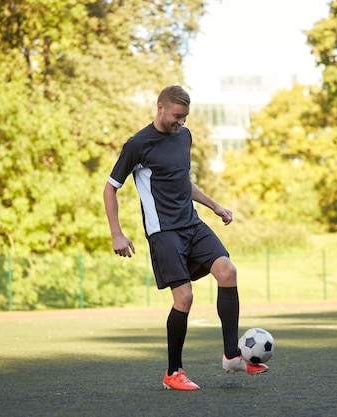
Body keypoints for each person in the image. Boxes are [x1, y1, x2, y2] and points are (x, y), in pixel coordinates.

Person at [103, 85, 268, 391]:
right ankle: (172, 372)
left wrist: (215, 206)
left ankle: (232, 354)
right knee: (185, 297)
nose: (180, 122)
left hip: (192, 224)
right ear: (160, 107)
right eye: (177, 116)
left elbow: (182, 181)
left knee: (227, 272)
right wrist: (117, 233)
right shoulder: (137, 145)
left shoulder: (185, 136)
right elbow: (110, 187)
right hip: (163, 232)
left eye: (185, 117)